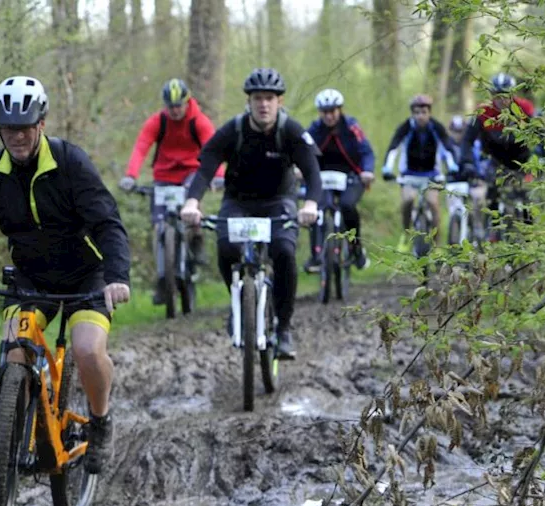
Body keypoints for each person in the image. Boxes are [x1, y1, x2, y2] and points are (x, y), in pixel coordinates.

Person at [0, 75, 131, 475]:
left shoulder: (70, 162)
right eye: (9, 128)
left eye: (24, 127)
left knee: (88, 350)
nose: (17, 136)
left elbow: (107, 222)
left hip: (84, 278)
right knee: (13, 351)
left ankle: (101, 419)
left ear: (41, 125)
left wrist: (116, 274)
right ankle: (8, 431)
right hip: (29, 281)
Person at [179, 68, 319, 360]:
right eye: (258, 98)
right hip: (238, 202)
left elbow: (312, 172)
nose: (263, 104)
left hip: (279, 202)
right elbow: (205, 168)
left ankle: (283, 327)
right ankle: (238, 305)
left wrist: (311, 205)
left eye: (269, 98)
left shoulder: (290, 130)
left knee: (283, 251)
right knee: (226, 247)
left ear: (279, 102)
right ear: (249, 102)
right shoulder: (234, 130)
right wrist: (192, 202)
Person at [118, 78, 219, 302]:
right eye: (170, 106)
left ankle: (197, 239)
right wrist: (130, 176)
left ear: (187, 102)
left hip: (192, 173)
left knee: (192, 210)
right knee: (159, 225)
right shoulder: (157, 122)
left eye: (178, 106)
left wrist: (217, 177)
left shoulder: (199, 121)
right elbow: (141, 146)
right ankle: (163, 278)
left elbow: (214, 150)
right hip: (163, 176)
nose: (174, 111)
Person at [304, 88, 375, 272]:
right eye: (325, 112)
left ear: (340, 110)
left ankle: (356, 249)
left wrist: (367, 171)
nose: (329, 116)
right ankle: (316, 255)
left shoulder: (352, 127)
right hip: (322, 177)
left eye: (333, 111)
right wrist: (298, 168)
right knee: (315, 208)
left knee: (347, 206)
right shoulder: (313, 129)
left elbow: (366, 151)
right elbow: (301, 151)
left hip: (351, 176)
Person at [458, 73, 541, 229]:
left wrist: (542, 160)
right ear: (491, 95)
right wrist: (467, 162)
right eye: (497, 95)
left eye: (506, 95)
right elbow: (467, 140)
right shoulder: (482, 112)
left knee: (527, 201)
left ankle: (530, 241)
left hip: (522, 163)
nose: (502, 100)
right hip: (495, 162)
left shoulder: (525, 108)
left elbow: (540, 134)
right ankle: (493, 235)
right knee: (491, 197)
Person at [380, 94, 458, 237]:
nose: (420, 116)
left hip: (432, 174)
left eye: (424, 113)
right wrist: (387, 168)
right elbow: (393, 148)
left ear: (429, 113)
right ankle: (406, 235)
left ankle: (436, 243)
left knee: (433, 203)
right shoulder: (405, 128)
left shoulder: (437, 127)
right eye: (416, 113)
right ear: (412, 114)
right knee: (408, 200)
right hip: (409, 174)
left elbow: (447, 148)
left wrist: (452, 166)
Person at [446, 114, 490, 237]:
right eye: (455, 131)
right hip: (453, 182)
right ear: (451, 131)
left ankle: (478, 227)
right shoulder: (446, 145)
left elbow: (481, 161)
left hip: (473, 180)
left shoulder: (474, 144)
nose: (458, 135)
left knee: (478, 198)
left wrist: (480, 175)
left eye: (461, 131)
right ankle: (454, 232)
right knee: (453, 208)